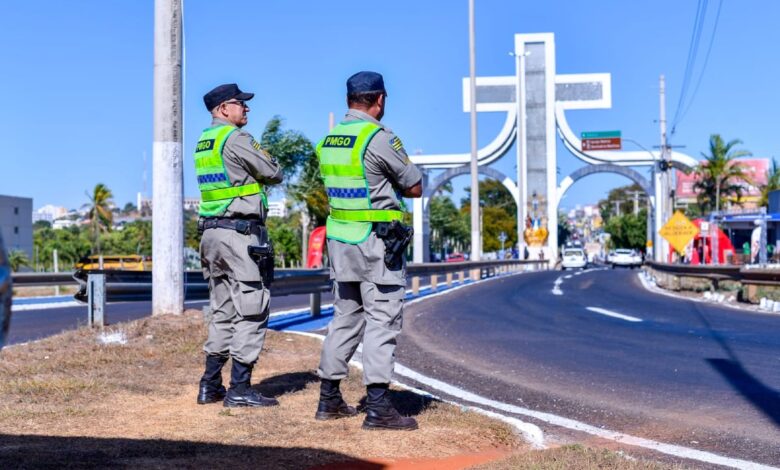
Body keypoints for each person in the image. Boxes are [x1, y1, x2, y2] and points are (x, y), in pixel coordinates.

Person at [315, 71, 423, 431]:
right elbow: (414, 186)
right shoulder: (378, 138)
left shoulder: (330, 139)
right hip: (375, 243)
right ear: (379, 99)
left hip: (340, 241)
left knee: (345, 317)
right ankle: (378, 407)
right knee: (382, 319)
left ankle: (328, 398)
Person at [195, 83, 283, 408]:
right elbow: (273, 171)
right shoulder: (236, 138)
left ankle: (209, 385)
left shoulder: (205, 142)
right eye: (240, 104)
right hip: (239, 234)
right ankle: (240, 388)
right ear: (222, 110)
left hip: (211, 235)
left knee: (222, 309)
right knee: (252, 308)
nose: (246, 109)